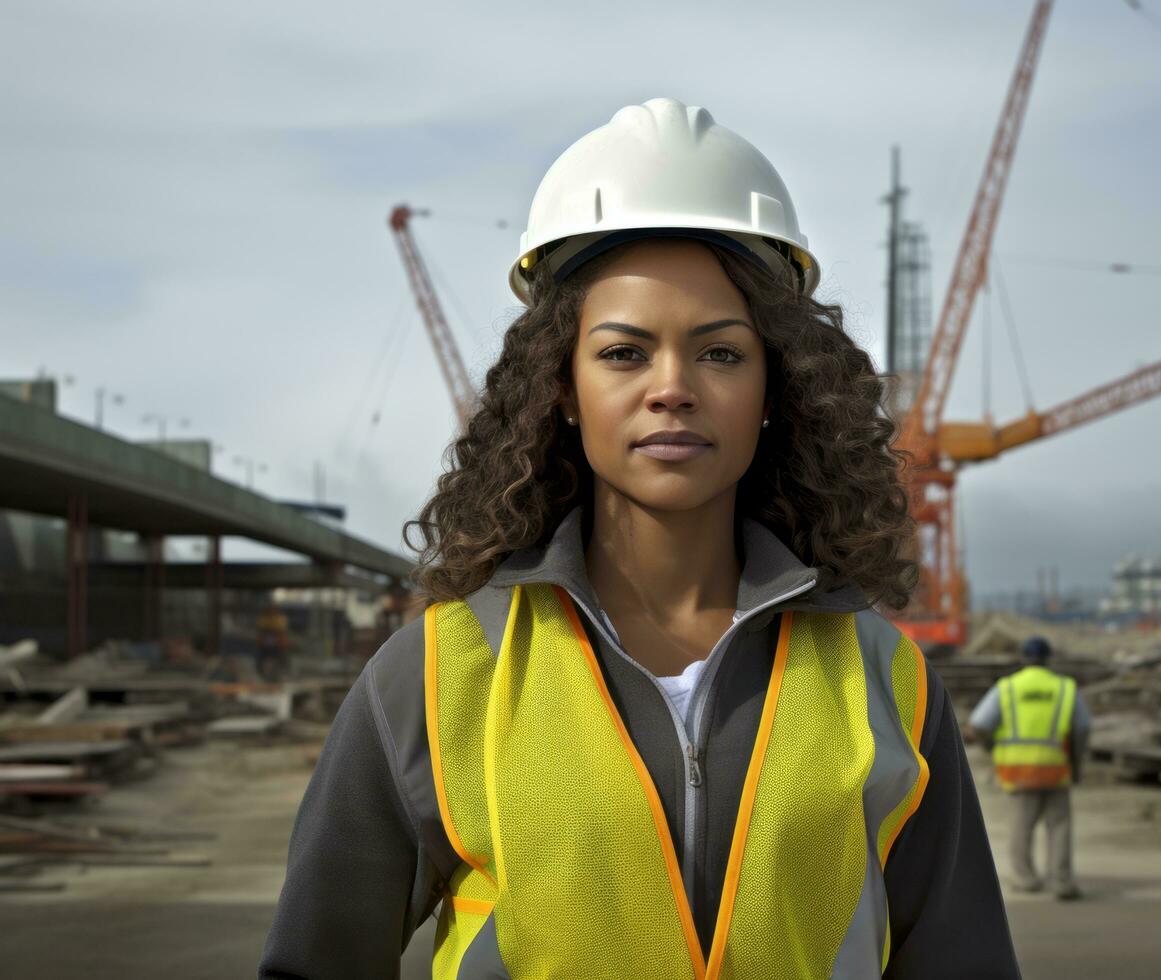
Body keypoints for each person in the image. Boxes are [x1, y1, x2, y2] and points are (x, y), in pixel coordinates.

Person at [260, 98, 1019, 979]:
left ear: (777, 392)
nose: (672, 388)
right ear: (562, 387)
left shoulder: (885, 683)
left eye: (721, 353)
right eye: (623, 353)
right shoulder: (437, 676)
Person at [968, 636, 1091, 901]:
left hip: (1018, 769)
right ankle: (1061, 881)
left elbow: (978, 723)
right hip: (1056, 768)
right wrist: (1076, 764)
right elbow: (1081, 727)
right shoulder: (1064, 688)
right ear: (1048, 658)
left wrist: (992, 748)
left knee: (1021, 826)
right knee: (1059, 824)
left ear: (1023, 658)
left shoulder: (1008, 688)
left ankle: (1025, 879)